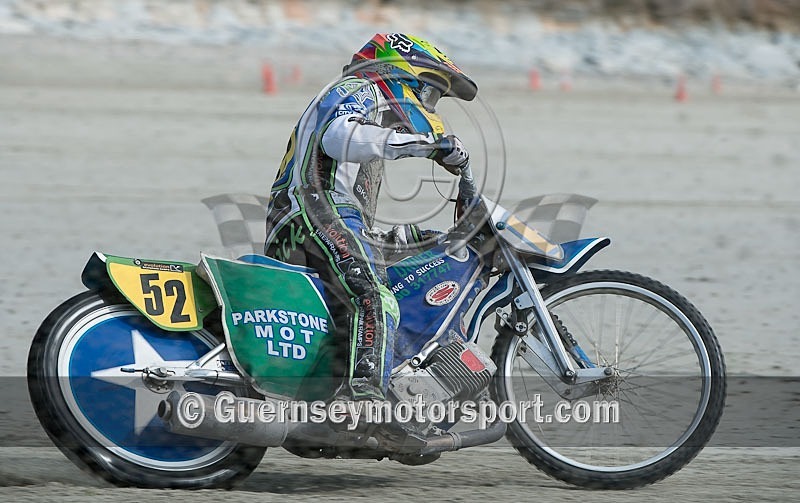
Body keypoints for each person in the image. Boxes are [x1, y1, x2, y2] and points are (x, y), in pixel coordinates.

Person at [264, 33, 477, 403]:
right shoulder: (356, 89)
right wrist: (421, 145)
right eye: (430, 92)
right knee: (375, 295)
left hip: (324, 219)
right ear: (400, 75)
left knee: (426, 252)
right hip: (311, 211)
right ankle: (363, 398)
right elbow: (336, 137)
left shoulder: (372, 117)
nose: (432, 105)